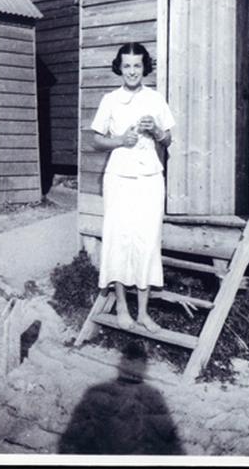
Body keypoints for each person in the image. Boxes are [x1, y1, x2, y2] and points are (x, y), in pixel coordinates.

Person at [91, 42, 175, 333]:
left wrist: (156, 130)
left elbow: (168, 140)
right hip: (119, 178)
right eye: (126, 66)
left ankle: (143, 313)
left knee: (147, 240)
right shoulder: (110, 100)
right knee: (119, 239)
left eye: (137, 65)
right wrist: (120, 141)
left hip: (150, 178)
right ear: (119, 67)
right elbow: (95, 140)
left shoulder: (155, 98)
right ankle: (123, 309)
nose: (131, 72)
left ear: (144, 67)